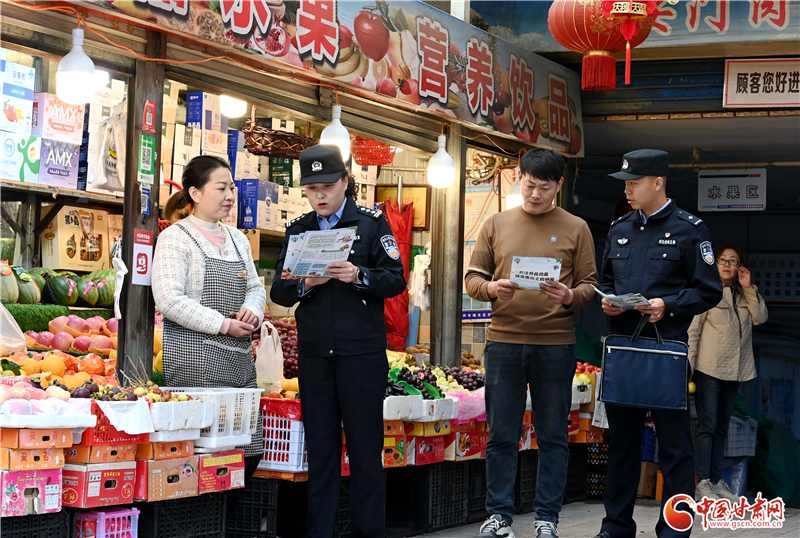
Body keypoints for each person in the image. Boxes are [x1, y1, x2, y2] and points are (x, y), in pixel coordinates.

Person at [270, 144, 405, 538]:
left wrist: (359, 275)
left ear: (346, 181)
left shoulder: (371, 224)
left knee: (365, 453)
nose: (320, 195)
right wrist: (305, 284)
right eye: (312, 189)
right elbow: (279, 291)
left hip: (361, 355)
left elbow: (395, 279)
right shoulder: (298, 229)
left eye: (327, 186)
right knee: (321, 453)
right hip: (315, 356)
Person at [465, 148, 598, 538]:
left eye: (544, 187)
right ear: (518, 178)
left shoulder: (577, 228)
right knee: (501, 434)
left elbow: (590, 285)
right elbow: (473, 279)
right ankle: (498, 516)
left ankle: (547, 518)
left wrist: (570, 296)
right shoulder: (496, 223)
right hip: (503, 342)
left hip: (555, 345)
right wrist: (492, 288)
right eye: (529, 184)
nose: (535, 194)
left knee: (553, 435)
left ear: (559, 185)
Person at [593, 149, 723, 538]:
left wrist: (668, 304)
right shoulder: (619, 228)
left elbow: (708, 290)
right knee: (622, 445)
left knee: (675, 448)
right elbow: (607, 281)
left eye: (634, 183)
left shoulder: (690, 230)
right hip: (624, 351)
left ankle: (674, 530)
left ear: (658, 183)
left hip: (666, 352)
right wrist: (608, 301)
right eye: (626, 183)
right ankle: (616, 527)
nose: (627, 190)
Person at [151, 155, 266, 521]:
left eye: (232, 188)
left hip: (239, 363)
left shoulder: (238, 239)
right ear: (196, 193)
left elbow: (255, 287)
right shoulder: (175, 238)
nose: (230, 196)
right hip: (196, 364)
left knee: (248, 449)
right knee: (205, 456)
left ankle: (222, 524)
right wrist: (223, 325)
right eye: (221, 188)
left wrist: (253, 311)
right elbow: (169, 299)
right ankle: (200, 525)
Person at [688, 244, 767, 502]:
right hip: (708, 368)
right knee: (707, 426)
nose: (727, 265)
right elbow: (693, 332)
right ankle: (703, 482)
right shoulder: (706, 291)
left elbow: (760, 318)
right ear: (714, 263)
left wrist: (748, 287)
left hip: (735, 370)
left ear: (739, 267)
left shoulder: (744, 295)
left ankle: (716, 481)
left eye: (733, 261)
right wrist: (688, 366)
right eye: (723, 260)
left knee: (722, 428)